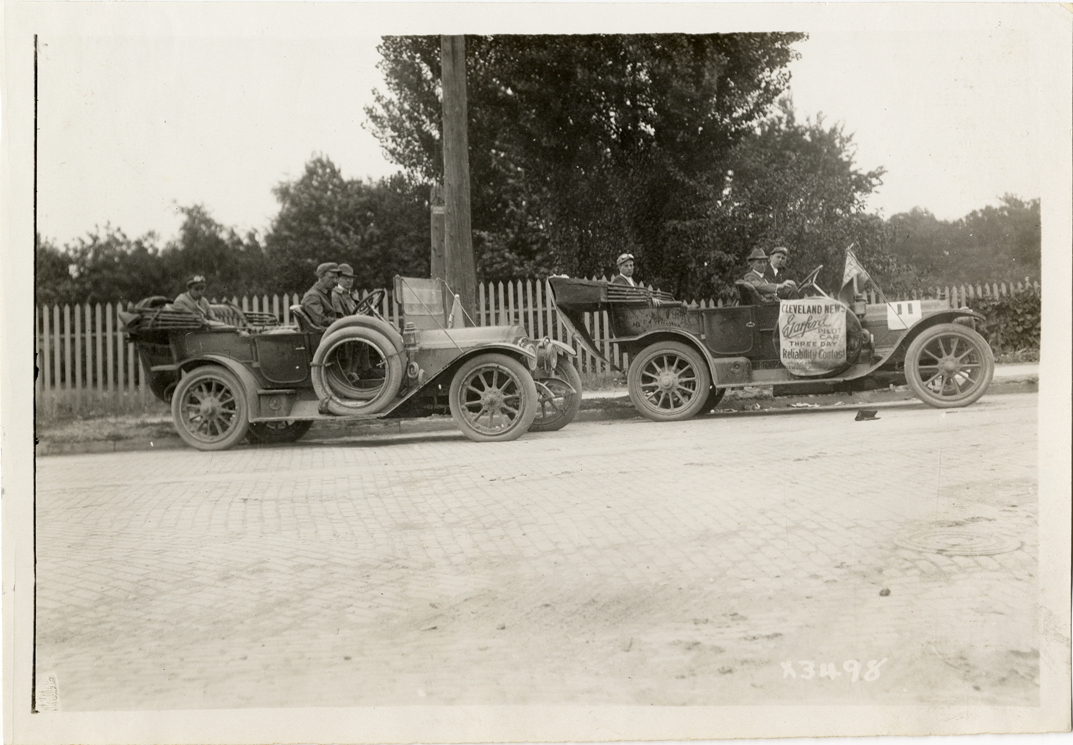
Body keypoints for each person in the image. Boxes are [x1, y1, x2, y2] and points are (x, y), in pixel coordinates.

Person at [301, 262, 341, 328]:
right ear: (321, 276)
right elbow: (321, 321)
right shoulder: (312, 296)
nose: (335, 281)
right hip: (325, 334)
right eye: (331, 277)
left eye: (336, 278)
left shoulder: (327, 293)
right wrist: (343, 321)